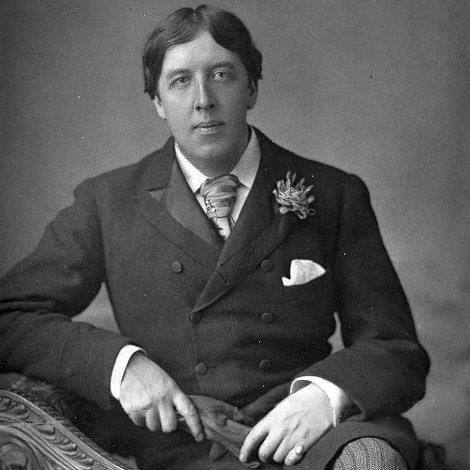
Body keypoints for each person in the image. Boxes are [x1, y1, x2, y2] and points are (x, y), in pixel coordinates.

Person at [0, 5, 429, 470]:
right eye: (180, 81)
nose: (203, 99)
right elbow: (11, 317)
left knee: (371, 459)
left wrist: (323, 397)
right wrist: (122, 368)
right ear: (158, 102)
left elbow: (395, 348)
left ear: (251, 88)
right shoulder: (107, 202)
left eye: (222, 75)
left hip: (306, 434)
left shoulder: (333, 194)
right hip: (176, 439)